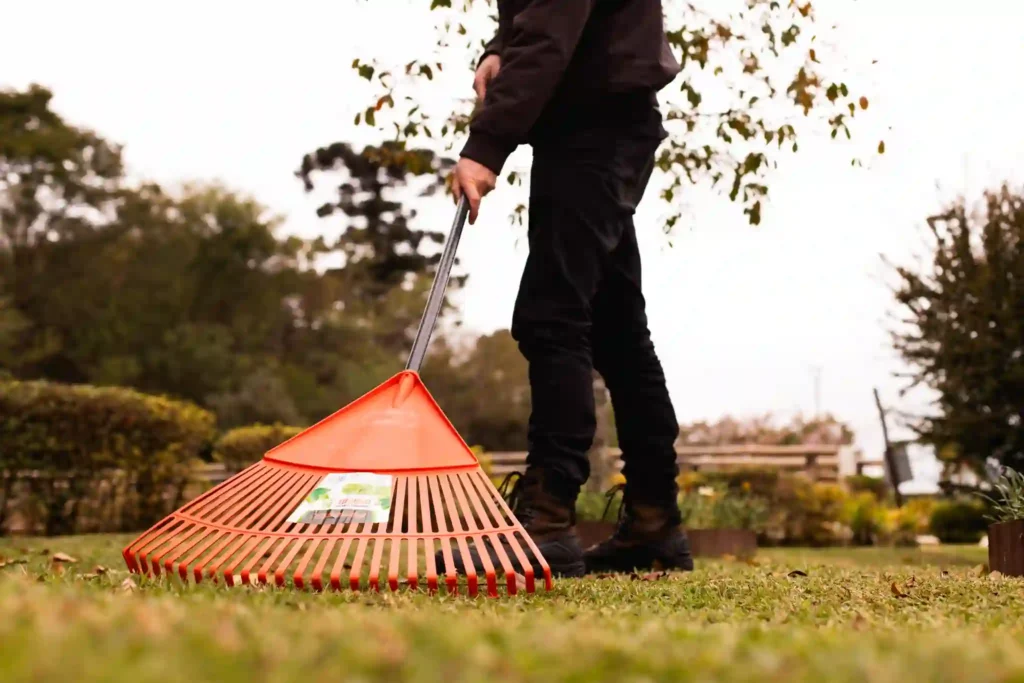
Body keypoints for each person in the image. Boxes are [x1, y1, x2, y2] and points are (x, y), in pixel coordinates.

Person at [447, 0, 693, 577]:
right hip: (598, 126)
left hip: (596, 131)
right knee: (618, 332)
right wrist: (499, 46)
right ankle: (654, 524)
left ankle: (548, 520)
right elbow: (548, 17)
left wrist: (487, 145)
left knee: (551, 317)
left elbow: (553, 33)